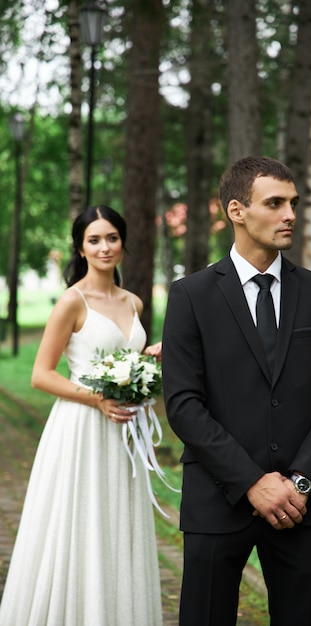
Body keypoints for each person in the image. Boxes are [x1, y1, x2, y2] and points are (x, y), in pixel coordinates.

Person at [162, 156, 311, 626]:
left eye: (293, 203)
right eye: (275, 203)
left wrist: (299, 483)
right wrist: (251, 482)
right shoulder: (191, 295)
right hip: (217, 498)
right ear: (237, 211)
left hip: (300, 506)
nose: (290, 214)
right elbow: (184, 405)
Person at [0, 205, 163, 626]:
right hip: (81, 428)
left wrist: (145, 361)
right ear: (80, 247)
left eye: (111, 237)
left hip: (124, 434)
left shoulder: (134, 302)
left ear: (123, 243)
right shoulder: (72, 302)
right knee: (81, 523)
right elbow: (40, 375)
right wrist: (97, 399)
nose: (104, 246)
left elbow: (120, 358)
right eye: (94, 239)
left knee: (116, 526)